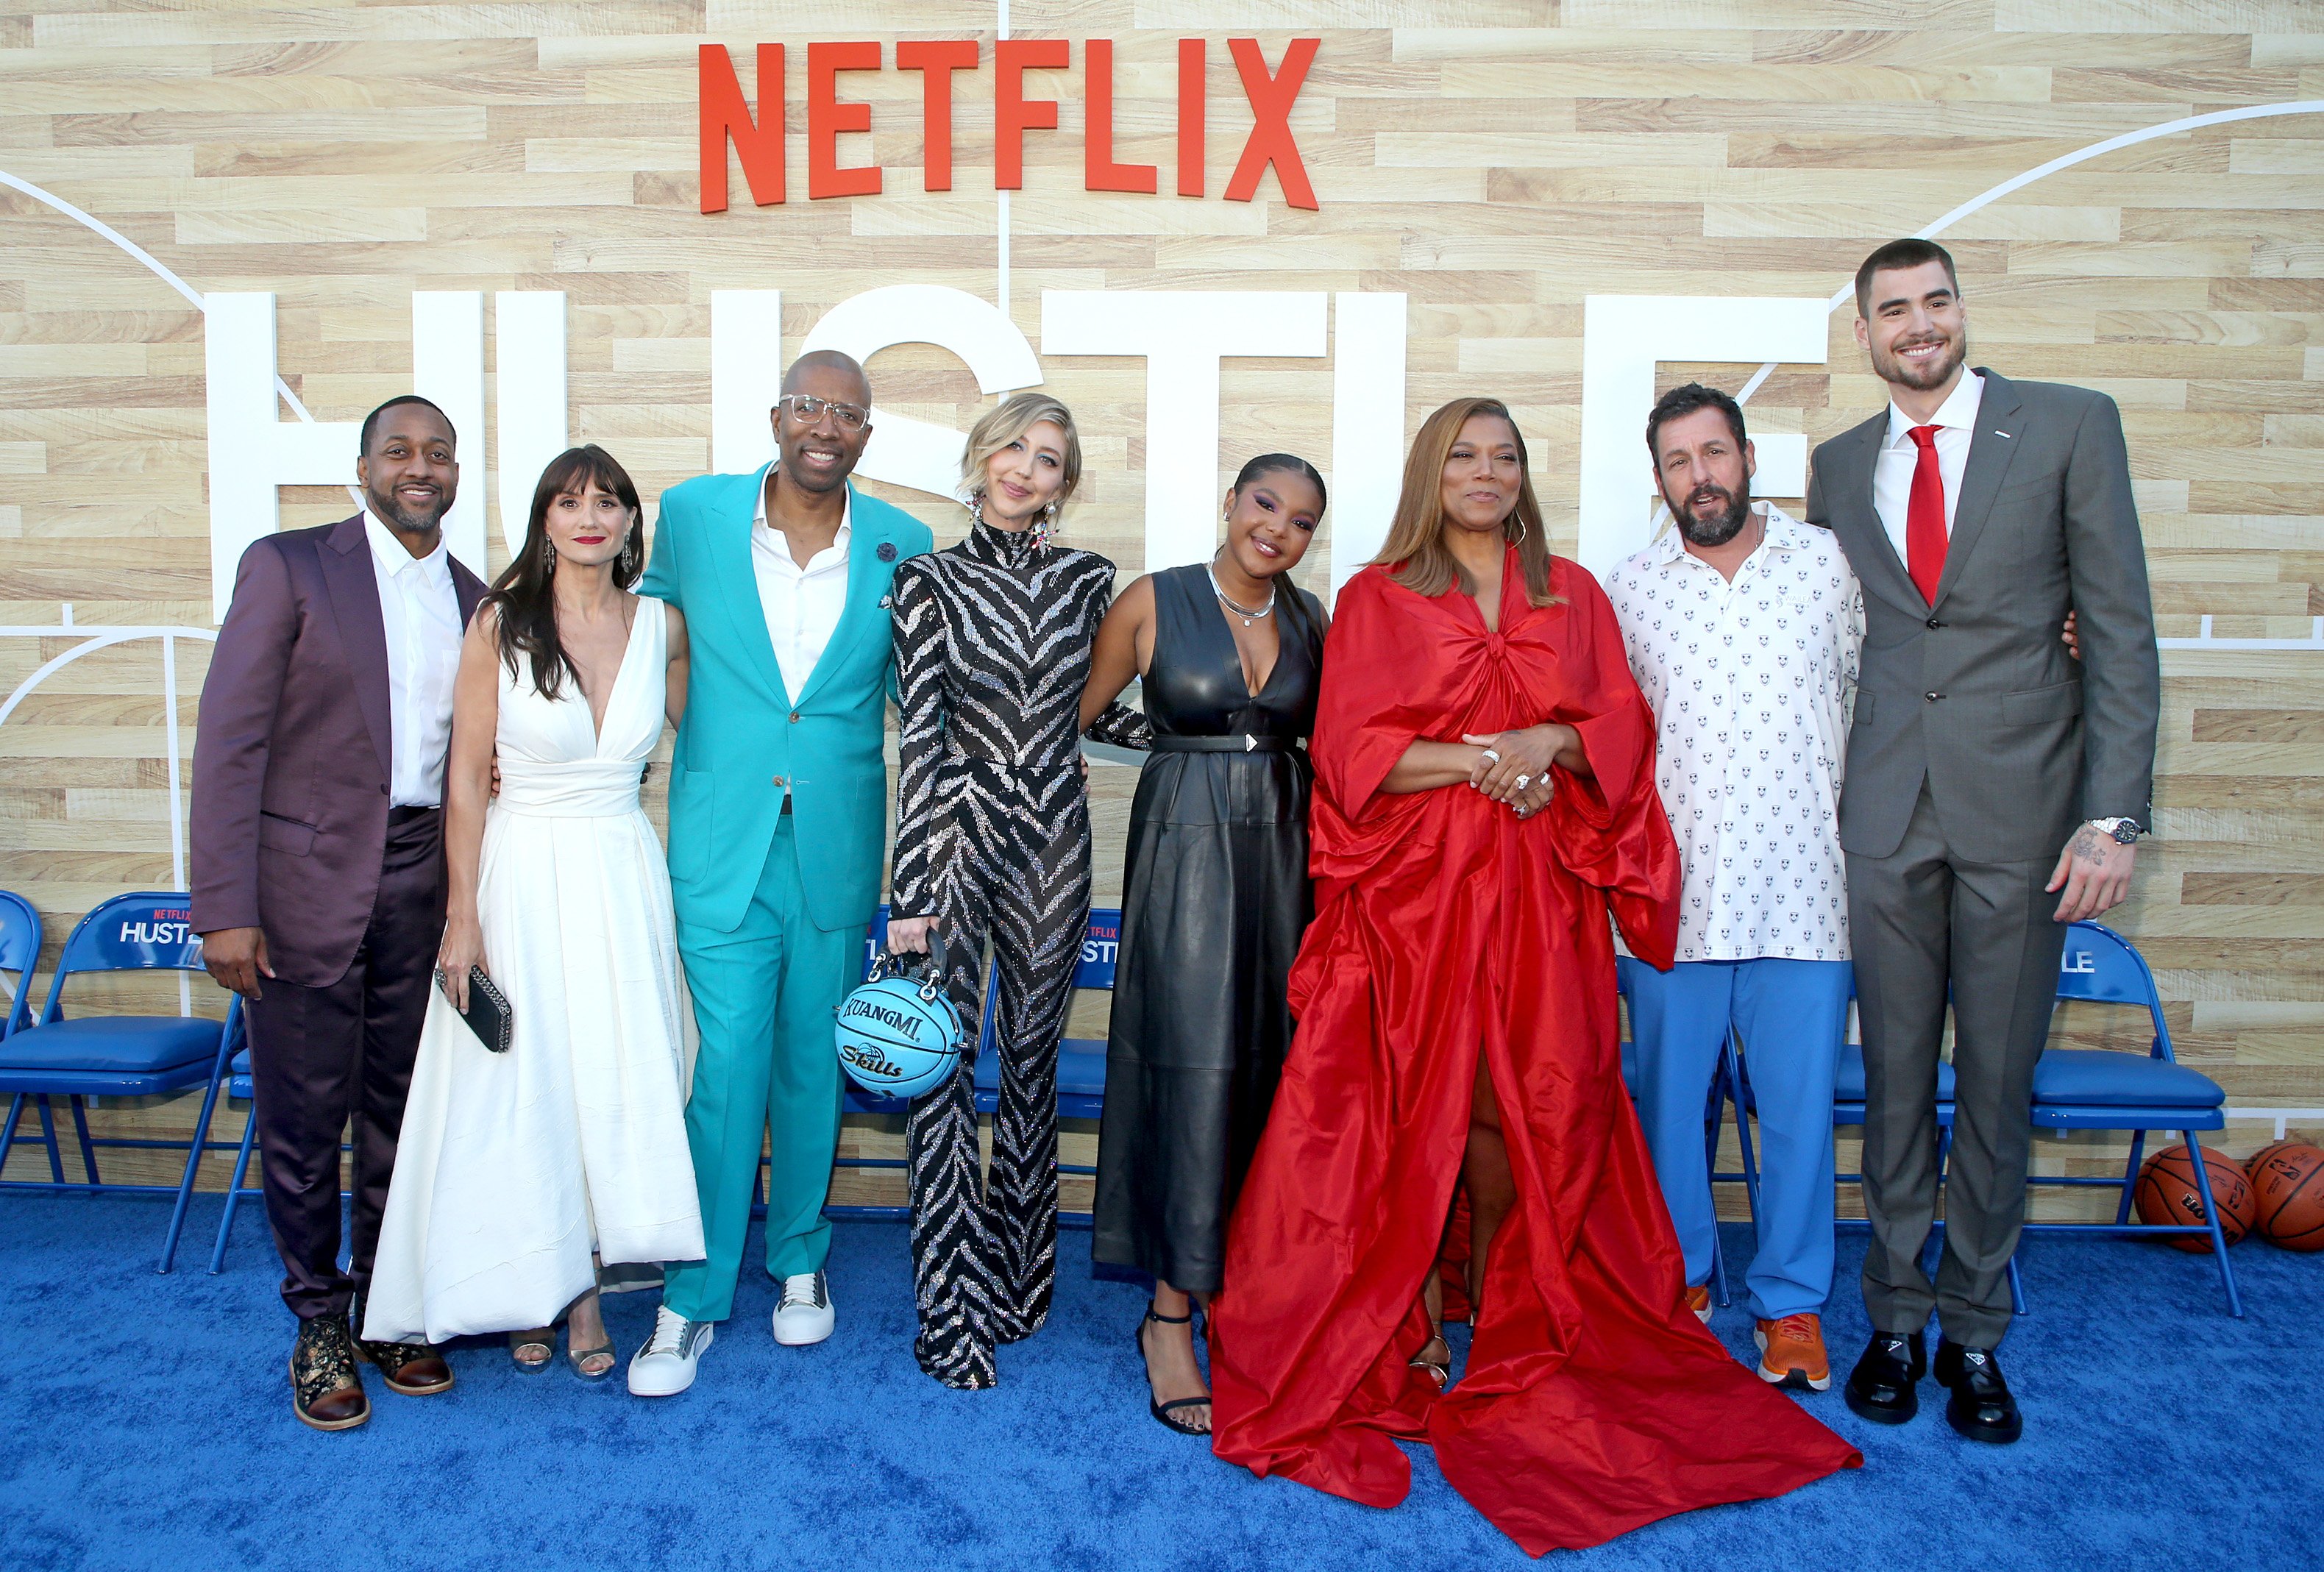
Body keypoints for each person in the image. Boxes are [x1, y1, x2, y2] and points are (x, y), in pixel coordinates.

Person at [1207, 397, 1860, 1557]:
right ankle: (1406, 1322)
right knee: (1422, 1111)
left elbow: (1616, 728)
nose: (1485, 472)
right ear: (1430, 471)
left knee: (1533, 1113)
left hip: (1539, 898)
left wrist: (1549, 744)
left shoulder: (1575, 595)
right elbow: (1351, 753)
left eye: (1504, 457)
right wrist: (1483, 754)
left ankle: (1505, 1313)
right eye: (1462, 454)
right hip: (1418, 901)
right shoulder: (1376, 596)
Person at [1808, 238, 2158, 1444]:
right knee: (1896, 1089)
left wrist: (2109, 818)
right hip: (1884, 817)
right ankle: (1893, 1319)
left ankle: (1971, 1334)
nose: (1916, 325)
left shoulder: (2065, 426)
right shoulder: (1835, 466)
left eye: (1933, 302)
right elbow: (1840, 638)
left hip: (2022, 817)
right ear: (1864, 332)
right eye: (1891, 310)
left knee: (1995, 1091)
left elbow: (2117, 633)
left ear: (1959, 311)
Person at [624, 352, 934, 1397]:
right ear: (775, 416)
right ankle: (690, 1294)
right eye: (808, 405)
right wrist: (712, 746)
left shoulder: (904, 543)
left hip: (837, 842)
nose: (824, 425)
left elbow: (916, 702)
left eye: (845, 413)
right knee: (727, 1069)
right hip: (722, 839)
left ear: (863, 435)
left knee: (813, 1059)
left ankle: (799, 1258)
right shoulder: (694, 516)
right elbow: (652, 642)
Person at [362, 445, 706, 1379]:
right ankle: (543, 1288)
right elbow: (466, 778)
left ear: (633, 522)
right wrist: (461, 916)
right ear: (544, 520)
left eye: (608, 501)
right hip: (521, 873)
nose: (590, 516)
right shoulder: (499, 625)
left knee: (607, 1075)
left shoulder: (662, 626)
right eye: (569, 501)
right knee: (523, 1082)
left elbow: (717, 738)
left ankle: (586, 1279)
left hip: (620, 870)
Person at [191, 396, 485, 1430]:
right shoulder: (291, 566)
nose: (420, 466)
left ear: (457, 473)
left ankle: (389, 1305)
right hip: (301, 888)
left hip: (423, 882)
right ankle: (317, 1318)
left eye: (438, 453)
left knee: (405, 1115)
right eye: (399, 450)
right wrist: (224, 906)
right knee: (306, 1120)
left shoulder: (474, 595)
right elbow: (228, 741)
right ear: (362, 465)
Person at [1605, 383, 1861, 1393]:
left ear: (1748, 458)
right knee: (1670, 1112)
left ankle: (1790, 1305)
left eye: (1712, 453)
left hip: (1807, 893)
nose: (1697, 475)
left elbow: (1888, 682)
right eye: (1676, 460)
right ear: (1658, 476)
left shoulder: (1828, 566)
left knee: (1796, 1117)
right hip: (1676, 900)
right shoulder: (1629, 588)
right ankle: (1681, 1284)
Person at [886, 391, 1140, 1391]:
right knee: (939, 1070)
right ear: (982, 456)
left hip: (1055, 844)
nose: (1024, 471)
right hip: (953, 836)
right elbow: (920, 736)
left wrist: (1216, 744)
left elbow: (1097, 716)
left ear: (1063, 485)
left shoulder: (1089, 581)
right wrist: (909, 887)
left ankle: (1017, 1281)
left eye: (1047, 460)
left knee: (1032, 1063)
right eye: (1013, 449)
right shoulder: (925, 581)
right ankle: (946, 1310)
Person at [1081, 455, 1331, 1436]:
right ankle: (1168, 1313)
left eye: (1301, 520)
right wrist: (1181, 751)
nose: (1277, 528)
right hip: (1183, 842)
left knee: (1272, 1066)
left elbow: (1335, 738)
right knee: (1185, 1065)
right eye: (1264, 504)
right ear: (1228, 502)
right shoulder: (1151, 599)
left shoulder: (1313, 619)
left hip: (1283, 844)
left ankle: (1245, 1286)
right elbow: (1086, 712)